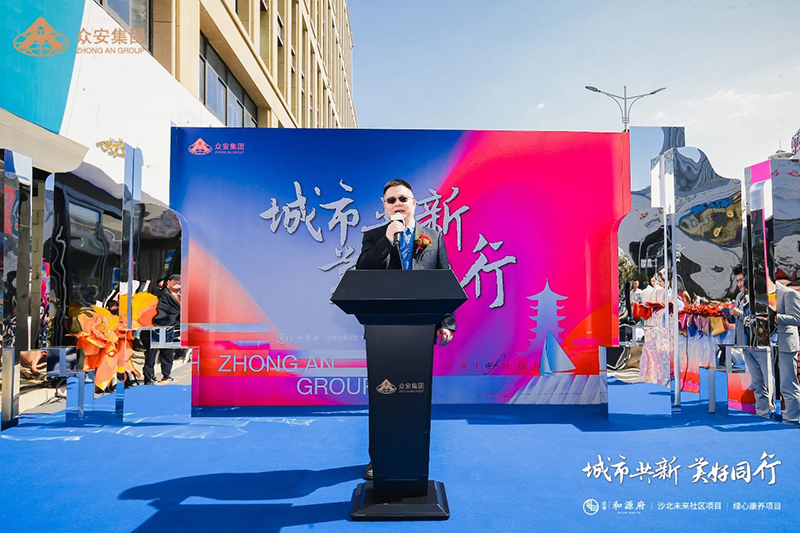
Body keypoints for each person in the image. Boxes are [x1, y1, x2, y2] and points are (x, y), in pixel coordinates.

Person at [355, 178, 456, 480]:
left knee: (415, 396)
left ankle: (413, 457)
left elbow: (444, 280)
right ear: (384, 206)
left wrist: (445, 322)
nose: (397, 204)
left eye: (403, 199)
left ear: (414, 203)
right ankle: (380, 459)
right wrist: (388, 240)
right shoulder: (374, 236)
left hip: (421, 330)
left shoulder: (433, 237)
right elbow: (363, 271)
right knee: (383, 397)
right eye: (391, 200)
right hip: (382, 332)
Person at [143, 274, 181, 385]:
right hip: (157, 328)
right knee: (151, 355)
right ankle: (149, 378)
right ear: (168, 282)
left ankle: (166, 375)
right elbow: (165, 311)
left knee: (168, 353)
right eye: (176, 281)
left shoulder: (180, 296)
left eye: (180, 281)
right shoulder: (163, 294)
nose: (178, 283)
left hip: (170, 328)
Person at [773, 281, 800, 426]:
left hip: (787, 343)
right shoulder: (762, 295)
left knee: (788, 383)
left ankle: (793, 417)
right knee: (771, 382)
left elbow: (797, 318)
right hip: (770, 343)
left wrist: (775, 317)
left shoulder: (789, 293)